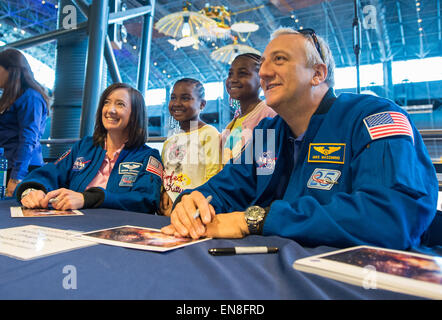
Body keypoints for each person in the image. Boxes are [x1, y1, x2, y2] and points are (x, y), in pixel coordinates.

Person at [161, 27, 438, 250]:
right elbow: (223, 190)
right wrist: (192, 202)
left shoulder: (374, 117)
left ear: (318, 73)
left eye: (279, 60)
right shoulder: (266, 133)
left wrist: (254, 221)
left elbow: (391, 217)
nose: (265, 72)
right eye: (264, 63)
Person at [15, 82, 162, 213]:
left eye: (120, 104)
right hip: (72, 227)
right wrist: (32, 191)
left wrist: (88, 199)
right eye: (106, 102)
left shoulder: (148, 156)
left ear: (135, 114)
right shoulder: (85, 146)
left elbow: (146, 200)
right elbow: (51, 172)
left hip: (118, 231)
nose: (110, 110)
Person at [160, 78, 221, 215]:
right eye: (173, 98)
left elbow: (213, 178)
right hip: (166, 212)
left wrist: (191, 205)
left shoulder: (209, 134)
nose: (177, 103)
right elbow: (164, 175)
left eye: (185, 98)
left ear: (202, 104)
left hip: (191, 211)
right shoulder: (170, 141)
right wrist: (163, 195)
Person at [0, 48, 50, 197]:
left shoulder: (31, 97)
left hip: (22, 168)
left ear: (10, 70)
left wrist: (16, 177)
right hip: (8, 166)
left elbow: (28, 139)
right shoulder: (12, 97)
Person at [221, 53, 276, 164]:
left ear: (262, 79)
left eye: (242, 74)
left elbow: (266, 165)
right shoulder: (233, 123)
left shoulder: (268, 115)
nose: (233, 79)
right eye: (230, 74)